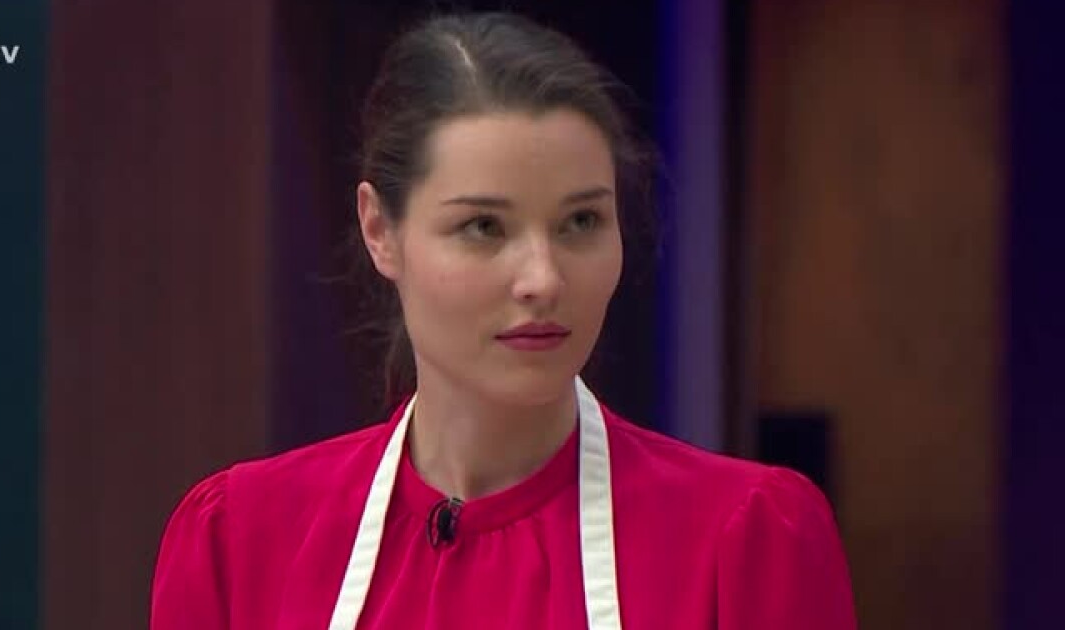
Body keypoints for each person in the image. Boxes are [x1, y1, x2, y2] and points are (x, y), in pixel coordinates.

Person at [150, 11, 857, 630]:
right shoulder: (239, 541)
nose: (543, 279)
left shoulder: (744, 539)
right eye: (483, 227)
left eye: (581, 222)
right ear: (380, 231)